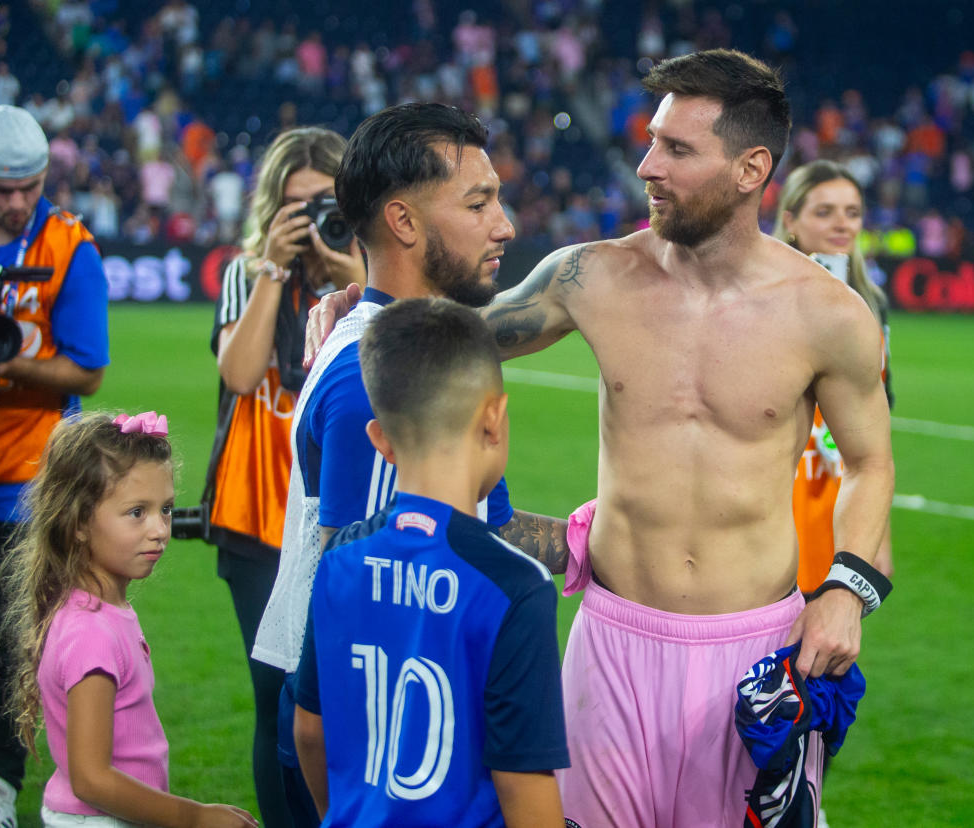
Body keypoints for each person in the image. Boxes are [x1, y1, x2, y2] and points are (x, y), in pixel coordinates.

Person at [311, 50, 895, 826]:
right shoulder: (588, 277)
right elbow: (449, 339)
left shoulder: (829, 314)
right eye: (652, 140)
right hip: (613, 646)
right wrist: (367, 319)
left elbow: (869, 463)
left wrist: (846, 595)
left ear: (752, 167)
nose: (647, 165)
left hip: (755, 651)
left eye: (678, 149)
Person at [251, 103, 567, 826]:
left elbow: (469, 528)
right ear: (403, 222)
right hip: (373, 760)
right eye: (478, 202)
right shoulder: (379, 381)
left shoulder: (394, 345)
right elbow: (384, 594)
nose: (505, 225)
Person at [292, 298, 568, 826]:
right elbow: (522, 783)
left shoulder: (340, 556)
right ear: (494, 420)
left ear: (381, 442)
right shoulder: (515, 585)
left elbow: (309, 729)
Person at [209, 125, 364, 828]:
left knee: (333, 691)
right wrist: (272, 270)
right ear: (272, 208)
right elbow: (240, 374)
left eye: (325, 203)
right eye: (295, 206)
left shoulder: (363, 275)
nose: (309, 221)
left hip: (332, 513)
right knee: (275, 693)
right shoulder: (247, 273)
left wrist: (343, 275)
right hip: (254, 514)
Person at [0, 411, 257, 828]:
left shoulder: (96, 611)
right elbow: (91, 779)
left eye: (166, 509)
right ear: (79, 521)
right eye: (137, 512)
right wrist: (194, 818)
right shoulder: (91, 634)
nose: (159, 529)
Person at [0, 104, 109, 824]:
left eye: (27, 185)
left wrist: (5, 368)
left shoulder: (68, 246)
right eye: (0, 187)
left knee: (8, 643)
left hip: (26, 480)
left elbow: (89, 370)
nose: (16, 201)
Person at [772, 160, 895, 589]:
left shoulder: (871, 306)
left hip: (842, 499)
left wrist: (879, 534)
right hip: (771, 497)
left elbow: (878, 429)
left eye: (853, 212)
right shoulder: (758, 298)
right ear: (790, 220)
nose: (842, 223)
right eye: (824, 211)